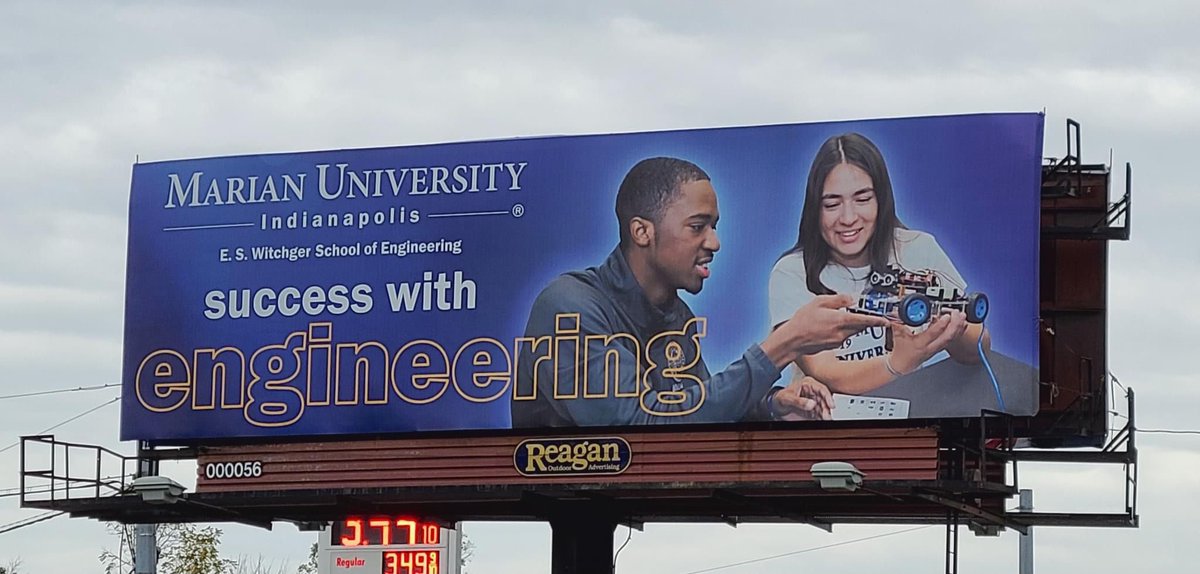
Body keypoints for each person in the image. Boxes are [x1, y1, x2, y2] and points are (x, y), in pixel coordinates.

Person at [510, 157, 887, 427]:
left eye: (714, 226)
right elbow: (637, 428)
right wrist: (784, 345)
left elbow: (698, 407)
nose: (715, 242)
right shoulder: (568, 306)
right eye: (697, 227)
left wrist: (773, 404)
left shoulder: (675, 315)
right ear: (642, 232)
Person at [769, 133, 989, 396]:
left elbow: (979, 347)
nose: (848, 218)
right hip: (827, 418)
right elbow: (826, 371)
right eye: (832, 204)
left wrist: (949, 327)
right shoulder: (791, 272)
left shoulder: (918, 249)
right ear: (814, 209)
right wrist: (899, 363)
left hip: (913, 413)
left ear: (881, 200)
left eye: (862, 200)